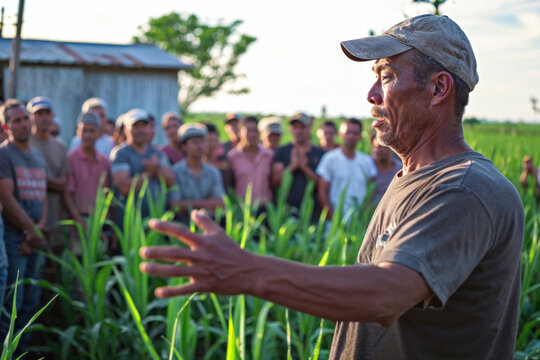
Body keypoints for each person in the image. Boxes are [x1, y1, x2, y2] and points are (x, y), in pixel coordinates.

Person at [139, 14, 524, 359]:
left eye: (387, 77)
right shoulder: (411, 175)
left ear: (438, 89)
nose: (371, 95)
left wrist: (248, 271)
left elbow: (386, 293)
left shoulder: (463, 188)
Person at [0, 99, 47, 351]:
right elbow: (5, 198)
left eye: (24, 119)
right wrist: (30, 230)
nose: (22, 124)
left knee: (31, 301)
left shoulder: (38, 156)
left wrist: (38, 226)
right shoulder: (4, 154)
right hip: (14, 237)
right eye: (15, 120)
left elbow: (44, 196)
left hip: (35, 237)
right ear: (6, 126)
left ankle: (24, 351)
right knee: (12, 302)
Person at [110, 108, 175, 219]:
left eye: (143, 125)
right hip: (130, 221)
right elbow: (124, 187)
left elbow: (171, 182)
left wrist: (157, 169)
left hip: (157, 220)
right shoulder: (120, 154)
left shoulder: (158, 154)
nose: (140, 130)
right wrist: (149, 172)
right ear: (126, 129)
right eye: (135, 126)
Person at [27, 96, 73, 254]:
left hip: (55, 214)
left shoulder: (60, 146)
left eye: (47, 113)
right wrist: (51, 182)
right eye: (39, 113)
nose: (43, 117)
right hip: (29, 216)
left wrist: (39, 180)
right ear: (31, 117)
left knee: (54, 261)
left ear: (52, 116)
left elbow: (63, 183)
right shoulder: (25, 144)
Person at [316, 118, 377, 220]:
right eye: (348, 132)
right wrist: (333, 218)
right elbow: (322, 191)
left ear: (360, 136)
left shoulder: (367, 161)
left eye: (355, 133)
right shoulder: (329, 158)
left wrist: (363, 216)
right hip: (333, 225)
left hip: (358, 225)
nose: (351, 137)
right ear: (340, 134)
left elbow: (371, 192)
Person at [272, 112, 324, 216]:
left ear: (309, 128)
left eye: (302, 127)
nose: (299, 131)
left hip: (312, 213)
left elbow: (323, 186)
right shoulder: (281, 151)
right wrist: (293, 166)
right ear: (291, 129)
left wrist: (304, 168)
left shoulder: (320, 153)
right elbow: (276, 182)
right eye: (295, 127)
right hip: (286, 213)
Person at [169, 124, 225, 217]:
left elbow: (220, 202)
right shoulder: (175, 172)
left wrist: (188, 203)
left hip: (210, 223)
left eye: (202, 142)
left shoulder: (213, 172)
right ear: (184, 146)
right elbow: (174, 204)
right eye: (195, 142)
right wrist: (207, 203)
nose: (200, 146)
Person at [66, 111, 111, 228]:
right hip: (78, 221)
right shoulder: (71, 159)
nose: (88, 135)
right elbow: (67, 195)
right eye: (84, 131)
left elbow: (109, 196)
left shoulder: (104, 162)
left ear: (99, 133)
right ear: (78, 133)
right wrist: (79, 221)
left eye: (92, 131)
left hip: (100, 222)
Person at [228, 116, 274, 205]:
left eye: (255, 131)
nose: (252, 134)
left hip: (265, 209)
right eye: (248, 131)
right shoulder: (232, 157)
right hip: (241, 209)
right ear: (240, 132)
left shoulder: (269, 155)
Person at [370, 129, 402, 205]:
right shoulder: (368, 168)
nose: (379, 150)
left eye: (382, 147)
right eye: (376, 147)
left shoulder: (400, 170)